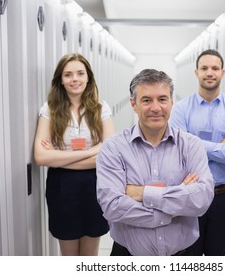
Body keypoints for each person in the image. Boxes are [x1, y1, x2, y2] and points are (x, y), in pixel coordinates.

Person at [96, 69, 214, 256]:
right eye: (146, 100)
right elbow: (112, 206)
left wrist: (142, 193)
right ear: (133, 104)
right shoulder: (113, 148)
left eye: (162, 99)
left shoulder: (191, 145)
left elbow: (201, 200)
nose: (156, 107)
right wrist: (175, 206)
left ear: (171, 102)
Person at [34, 53, 114, 256]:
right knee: (69, 253)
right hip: (62, 186)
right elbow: (41, 157)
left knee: (90, 254)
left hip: (95, 184)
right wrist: (93, 150)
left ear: (88, 77)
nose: (75, 79)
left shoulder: (101, 108)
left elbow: (109, 153)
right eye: (68, 74)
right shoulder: (50, 110)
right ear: (60, 80)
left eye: (80, 73)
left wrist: (58, 157)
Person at [169, 49, 225, 256]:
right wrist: (223, 145)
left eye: (214, 68)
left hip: (222, 196)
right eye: (204, 68)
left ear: (222, 72)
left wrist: (195, 145)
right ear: (196, 72)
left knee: (216, 257)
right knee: (188, 258)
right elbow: (179, 152)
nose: (209, 72)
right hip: (190, 195)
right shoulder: (181, 109)